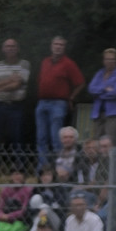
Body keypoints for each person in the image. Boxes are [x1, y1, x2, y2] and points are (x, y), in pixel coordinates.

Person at [34, 36, 85, 168]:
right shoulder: (45, 61)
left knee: (56, 137)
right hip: (42, 102)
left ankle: (59, 167)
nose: (58, 47)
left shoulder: (68, 63)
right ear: (51, 46)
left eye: (61, 45)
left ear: (64, 48)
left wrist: (71, 97)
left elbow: (80, 83)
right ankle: (43, 168)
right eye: (56, 44)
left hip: (58, 103)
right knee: (41, 137)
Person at [0, 39, 30, 151]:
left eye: (13, 46)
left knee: (17, 137)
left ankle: (20, 166)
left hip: (16, 106)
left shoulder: (24, 64)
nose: (10, 48)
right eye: (8, 46)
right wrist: (9, 79)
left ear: (18, 49)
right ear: (3, 49)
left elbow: (16, 85)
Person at [88, 48, 116, 142]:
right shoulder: (99, 74)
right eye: (107, 59)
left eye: (112, 59)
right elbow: (91, 89)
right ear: (103, 60)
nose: (109, 62)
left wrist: (99, 94)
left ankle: (115, 157)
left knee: (110, 143)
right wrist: (105, 89)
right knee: (96, 143)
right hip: (98, 114)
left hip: (114, 114)